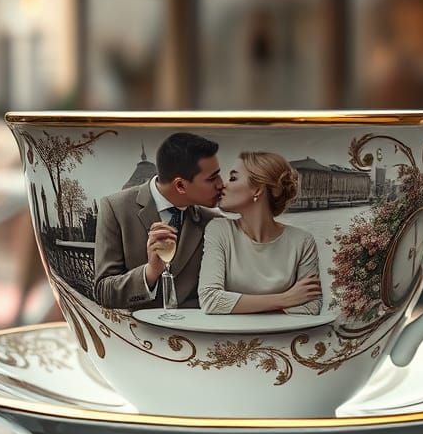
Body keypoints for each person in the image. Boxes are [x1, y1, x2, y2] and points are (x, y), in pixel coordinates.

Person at [93, 132, 224, 309]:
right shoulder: (115, 208)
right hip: (137, 333)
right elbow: (103, 292)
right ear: (180, 185)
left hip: (198, 330)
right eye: (212, 178)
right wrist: (150, 272)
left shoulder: (213, 220)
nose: (221, 184)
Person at [198, 151, 322, 315]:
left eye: (233, 178)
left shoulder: (302, 241)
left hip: (281, 339)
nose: (223, 185)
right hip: (229, 338)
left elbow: (311, 307)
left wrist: (237, 305)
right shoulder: (219, 230)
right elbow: (211, 300)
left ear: (257, 190)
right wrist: (285, 299)